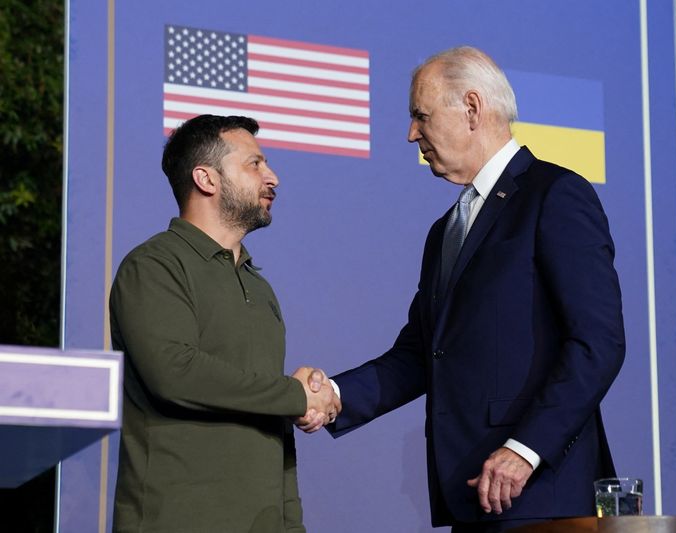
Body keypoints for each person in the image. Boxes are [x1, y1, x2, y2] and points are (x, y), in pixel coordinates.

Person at [306, 47, 626, 532]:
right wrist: (331, 394)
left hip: (541, 498)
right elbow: (420, 354)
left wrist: (525, 449)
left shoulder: (555, 196)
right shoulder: (445, 230)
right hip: (472, 497)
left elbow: (598, 343)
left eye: (421, 116)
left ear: (472, 109)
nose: (412, 133)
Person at [110, 114, 340, 533]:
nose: (273, 178)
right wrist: (295, 394)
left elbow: (271, 421)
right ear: (206, 179)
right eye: (254, 164)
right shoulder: (155, 265)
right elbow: (175, 373)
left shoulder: (259, 287)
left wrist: (291, 523)